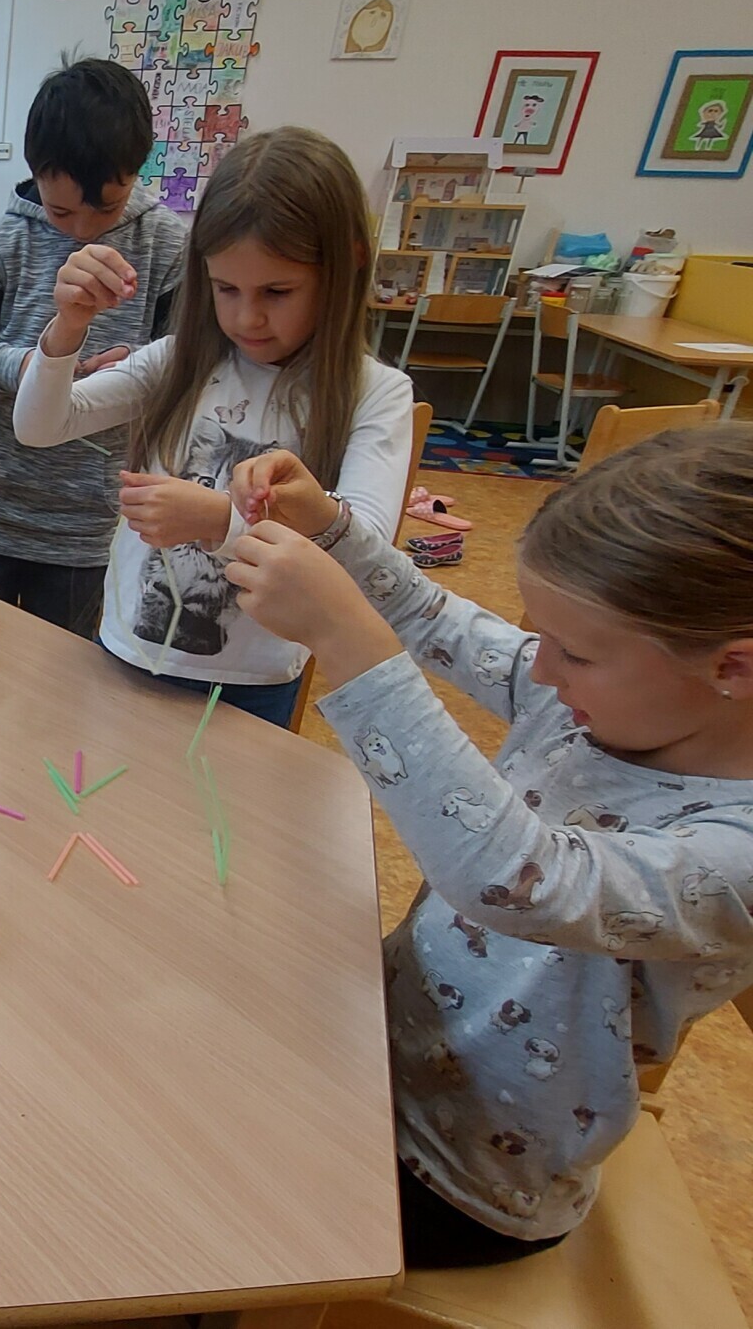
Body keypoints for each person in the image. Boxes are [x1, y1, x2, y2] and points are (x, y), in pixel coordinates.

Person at [222, 426, 753, 1266]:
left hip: (462, 1178)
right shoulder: (585, 700)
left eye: (576, 652)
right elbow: (432, 615)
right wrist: (329, 528)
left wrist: (350, 644)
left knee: (190, 1192)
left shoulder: (738, 847)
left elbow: (518, 880)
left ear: (735, 668)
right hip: (373, 1063)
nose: (542, 671)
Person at [13, 126, 414, 728]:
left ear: (348, 263)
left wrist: (218, 521)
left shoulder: (375, 393)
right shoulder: (178, 360)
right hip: (126, 652)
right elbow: (38, 427)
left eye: (277, 291)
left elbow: (366, 562)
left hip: (249, 685)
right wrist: (68, 325)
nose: (248, 317)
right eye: (226, 288)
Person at [0, 57, 185, 639]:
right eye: (62, 210)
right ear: (35, 172)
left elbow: (195, 377)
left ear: (136, 172)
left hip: (85, 531)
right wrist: (25, 366)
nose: (85, 230)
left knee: (59, 682)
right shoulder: (1, 243)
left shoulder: (167, 246)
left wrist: (134, 376)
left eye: (108, 208)